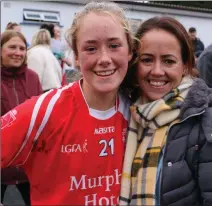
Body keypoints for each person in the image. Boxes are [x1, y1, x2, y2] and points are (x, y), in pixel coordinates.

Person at [1, 2, 133, 205]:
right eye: (91, 48)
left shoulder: (140, 112)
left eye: (114, 46)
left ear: (130, 51)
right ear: (77, 57)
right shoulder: (44, 111)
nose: (104, 58)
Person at [119, 17, 212, 206]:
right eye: (147, 60)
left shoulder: (211, 125)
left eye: (168, 61)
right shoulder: (127, 116)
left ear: (185, 66)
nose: (157, 71)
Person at [1, 30, 43, 205]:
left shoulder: (33, 77)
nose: (17, 52)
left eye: (22, 48)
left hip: (29, 165)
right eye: (12, 47)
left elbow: (42, 115)